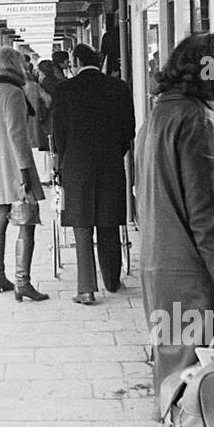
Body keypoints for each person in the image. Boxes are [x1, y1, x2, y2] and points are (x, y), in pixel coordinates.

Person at [137, 32, 214, 360]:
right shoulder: (200, 125)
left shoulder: (159, 117)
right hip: (200, 287)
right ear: (212, 79)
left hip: (164, 276)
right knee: (212, 390)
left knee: (177, 385)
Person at [50, 44, 134, 305]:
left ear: (75, 61)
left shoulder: (64, 90)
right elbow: (128, 131)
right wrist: (113, 152)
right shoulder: (119, 88)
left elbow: (58, 134)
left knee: (82, 225)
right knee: (109, 221)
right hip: (110, 164)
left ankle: (86, 288)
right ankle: (112, 280)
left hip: (76, 165)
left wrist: (63, 163)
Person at [0, 46, 49, 302]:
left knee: (0, 217)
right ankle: (23, 282)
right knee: (27, 222)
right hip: (16, 166)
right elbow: (17, 135)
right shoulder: (14, 93)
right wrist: (24, 172)